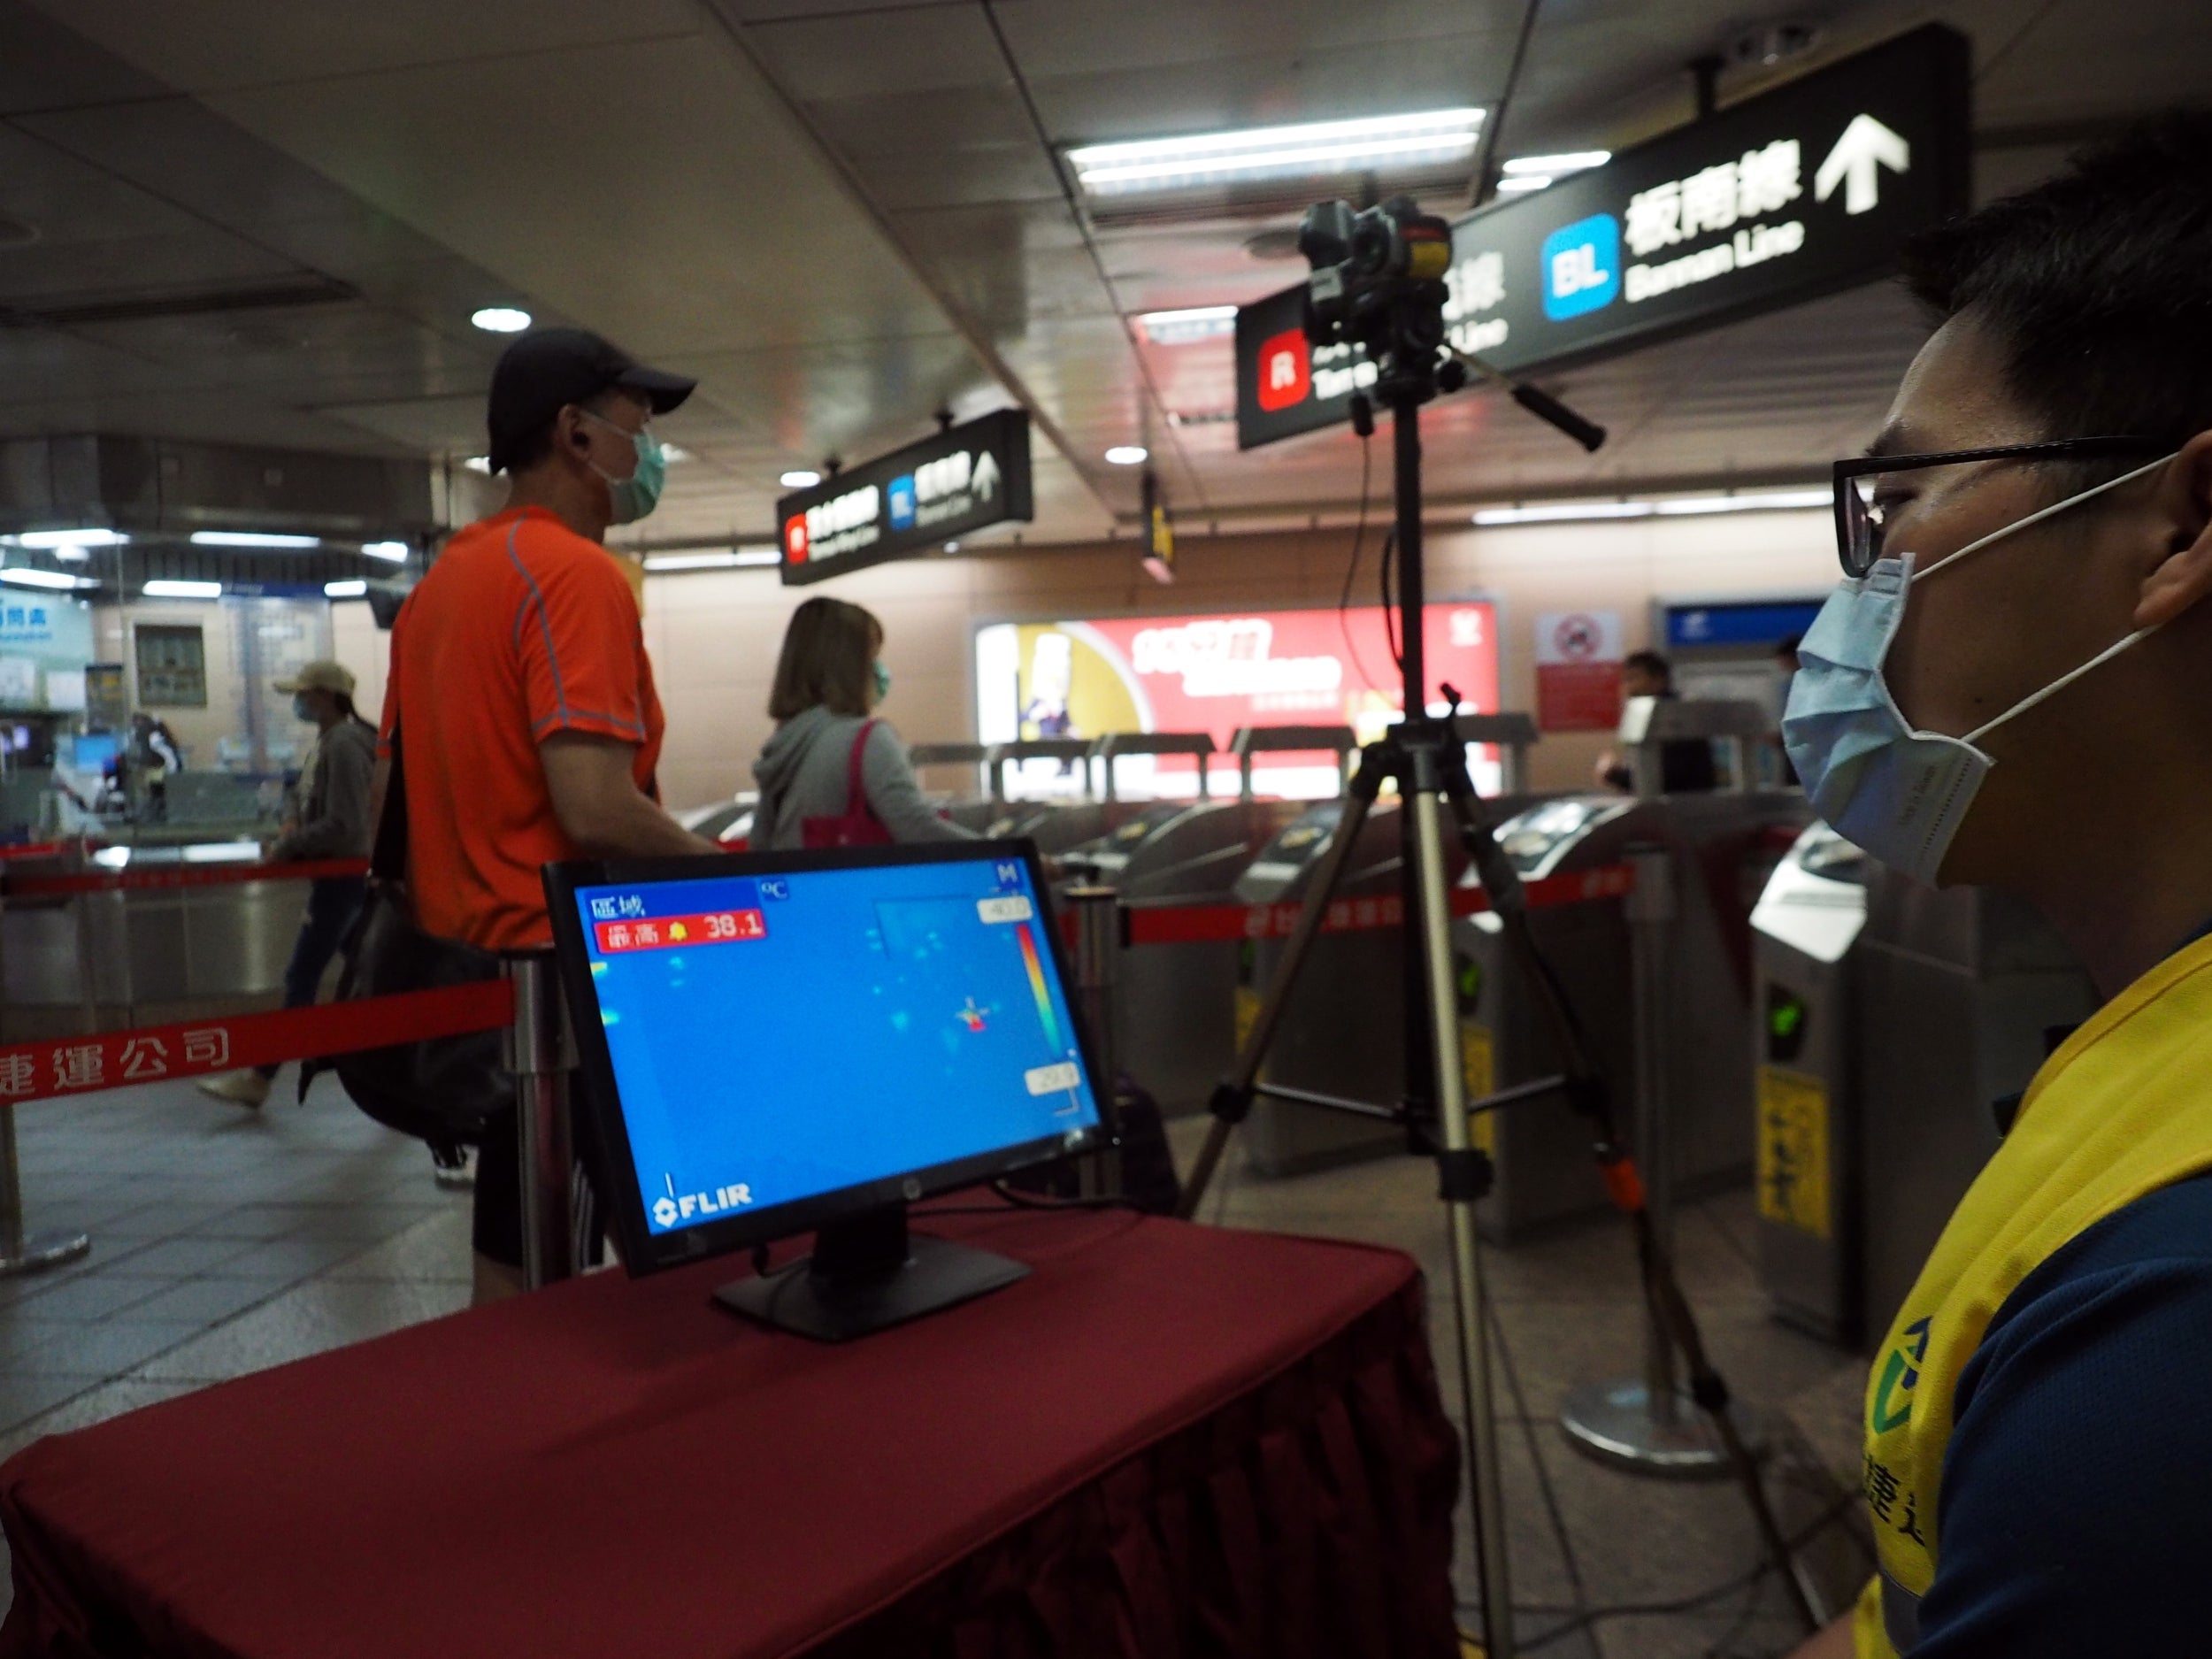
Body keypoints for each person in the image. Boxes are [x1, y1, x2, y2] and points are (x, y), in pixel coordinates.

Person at [1780, 113, 2212, 1658]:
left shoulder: (2169, 1322)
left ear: (2181, 526)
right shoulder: (2147, 1057)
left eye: (1901, 504)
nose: (1865, 596)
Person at [381, 326, 720, 1303]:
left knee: (517, 1272)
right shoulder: (571, 575)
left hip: (490, 1006)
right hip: (579, 999)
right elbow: (597, 810)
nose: (650, 450)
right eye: (639, 425)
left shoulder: (440, 590)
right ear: (576, 434)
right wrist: (734, 877)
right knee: (625, 1281)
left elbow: (392, 817)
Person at [199, 661, 375, 1110]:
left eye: (304, 694)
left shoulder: (344, 746)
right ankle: (394, 1060)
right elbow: (301, 797)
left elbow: (344, 823)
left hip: (342, 880)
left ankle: (261, 1075)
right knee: (366, 971)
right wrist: (292, 821)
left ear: (325, 696)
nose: (298, 702)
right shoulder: (331, 743)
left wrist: (288, 845)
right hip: (342, 880)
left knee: (303, 974)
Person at [751, 596, 981, 849]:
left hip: (795, 887)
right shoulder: (866, 739)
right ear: (849, 666)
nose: (878, 670)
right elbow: (916, 827)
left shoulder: (785, 744)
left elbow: (760, 846)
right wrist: (1004, 856)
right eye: (872, 657)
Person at [1595, 649, 1718, 793]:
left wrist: (1613, 774)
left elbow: (1667, 777)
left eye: (1633, 678)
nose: (1628, 688)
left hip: (1685, 809)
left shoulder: (1674, 717)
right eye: (1625, 680)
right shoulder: (1646, 716)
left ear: (1658, 680)